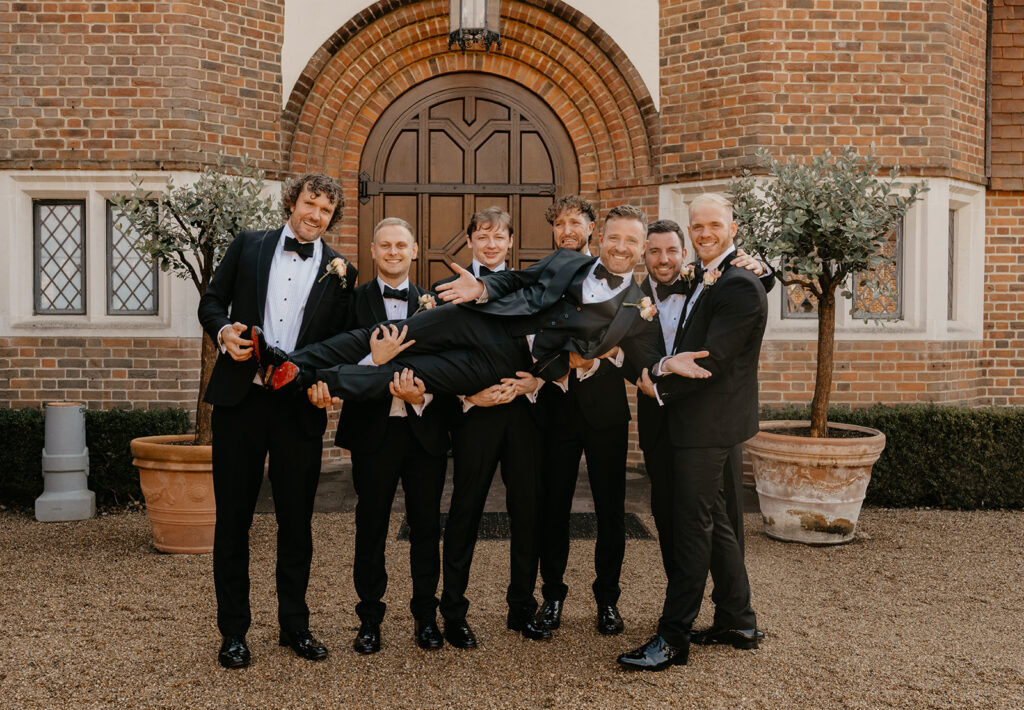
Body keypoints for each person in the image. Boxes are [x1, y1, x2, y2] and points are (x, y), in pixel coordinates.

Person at [276, 205, 691, 403]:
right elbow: (516, 278)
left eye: (631, 241)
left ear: (641, 249)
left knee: (410, 372)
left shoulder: (639, 308)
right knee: (386, 335)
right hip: (484, 320)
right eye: (614, 238)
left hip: (510, 366)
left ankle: (305, 381)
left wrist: (667, 368)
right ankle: (288, 359)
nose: (621, 247)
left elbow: (644, 359)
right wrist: (483, 291)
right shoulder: (569, 259)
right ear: (600, 239)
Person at [197, 173, 356, 669]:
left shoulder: (343, 271)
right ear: (293, 202)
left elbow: (345, 340)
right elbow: (210, 301)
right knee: (234, 522)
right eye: (310, 203)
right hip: (241, 400)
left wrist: (325, 380)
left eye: (325, 211)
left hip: (297, 409)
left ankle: (295, 626)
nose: (315, 215)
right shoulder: (249, 245)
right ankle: (234, 633)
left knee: (296, 524)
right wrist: (223, 332)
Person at [618, 193, 766, 672]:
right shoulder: (708, 276)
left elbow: (713, 362)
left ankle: (673, 637)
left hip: (707, 423)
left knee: (691, 527)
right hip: (701, 421)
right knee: (717, 519)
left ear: (733, 226)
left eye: (713, 225)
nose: (704, 233)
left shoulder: (739, 283)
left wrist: (657, 389)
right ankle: (738, 620)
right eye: (697, 225)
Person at [306, 218, 450, 655]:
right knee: (370, 527)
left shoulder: (436, 304)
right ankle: (369, 619)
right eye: (385, 245)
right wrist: (374, 359)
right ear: (372, 250)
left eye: (400, 245)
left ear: (415, 250)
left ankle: (426, 617)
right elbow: (336, 359)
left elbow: (449, 363)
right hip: (373, 431)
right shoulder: (352, 301)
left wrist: (423, 394)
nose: (392, 252)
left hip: (423, 428)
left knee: (426, 527)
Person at [429, 207, 549, 647]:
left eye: (499, 237)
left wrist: (536, 381)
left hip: (524, 415)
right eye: (483, 236)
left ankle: (522, 608)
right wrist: (466, 396)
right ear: (471, 242)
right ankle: (454, 612)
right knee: (465, 511)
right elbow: (435, 357)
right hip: (475, 416)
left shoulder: (531, 289)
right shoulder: (447, 292)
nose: (491, 244)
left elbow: (551, 347)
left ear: (511, 242)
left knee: (527, 512)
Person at [532, 195, 633, 636]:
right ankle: (551, 596)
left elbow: (644, 342)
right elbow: (535, 335)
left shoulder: (631, 284)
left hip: (607, 411)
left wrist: (608, 356)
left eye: (575, 223)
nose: (567, 230)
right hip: (556, 406)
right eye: (560, 224)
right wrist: (561, 366)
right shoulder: (551, 274)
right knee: (552, 506)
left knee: (611, 509)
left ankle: (607, 600)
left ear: (593, 229)